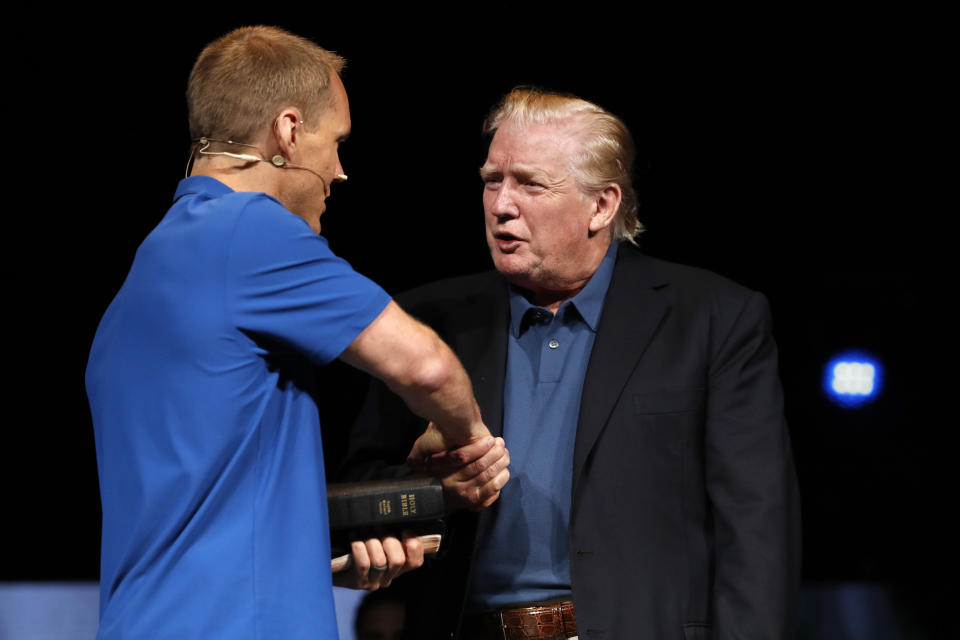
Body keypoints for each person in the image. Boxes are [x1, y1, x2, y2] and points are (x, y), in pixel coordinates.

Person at [84, 26, 508, 640]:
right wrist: (466, 444)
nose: (339, 172)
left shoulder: (154, 266)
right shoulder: (247, 230)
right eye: (335, 142)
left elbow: (195, 513)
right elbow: (426, 368)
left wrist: (314, 565)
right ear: (287, 132)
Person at [342, 88, 801, 639]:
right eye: (492, 180)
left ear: (602, 205)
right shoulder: (427, 323)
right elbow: (364, 486)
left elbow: (756, 525)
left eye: (530, 183)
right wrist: (424, 485)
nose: (501, 205)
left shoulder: (712, 318)